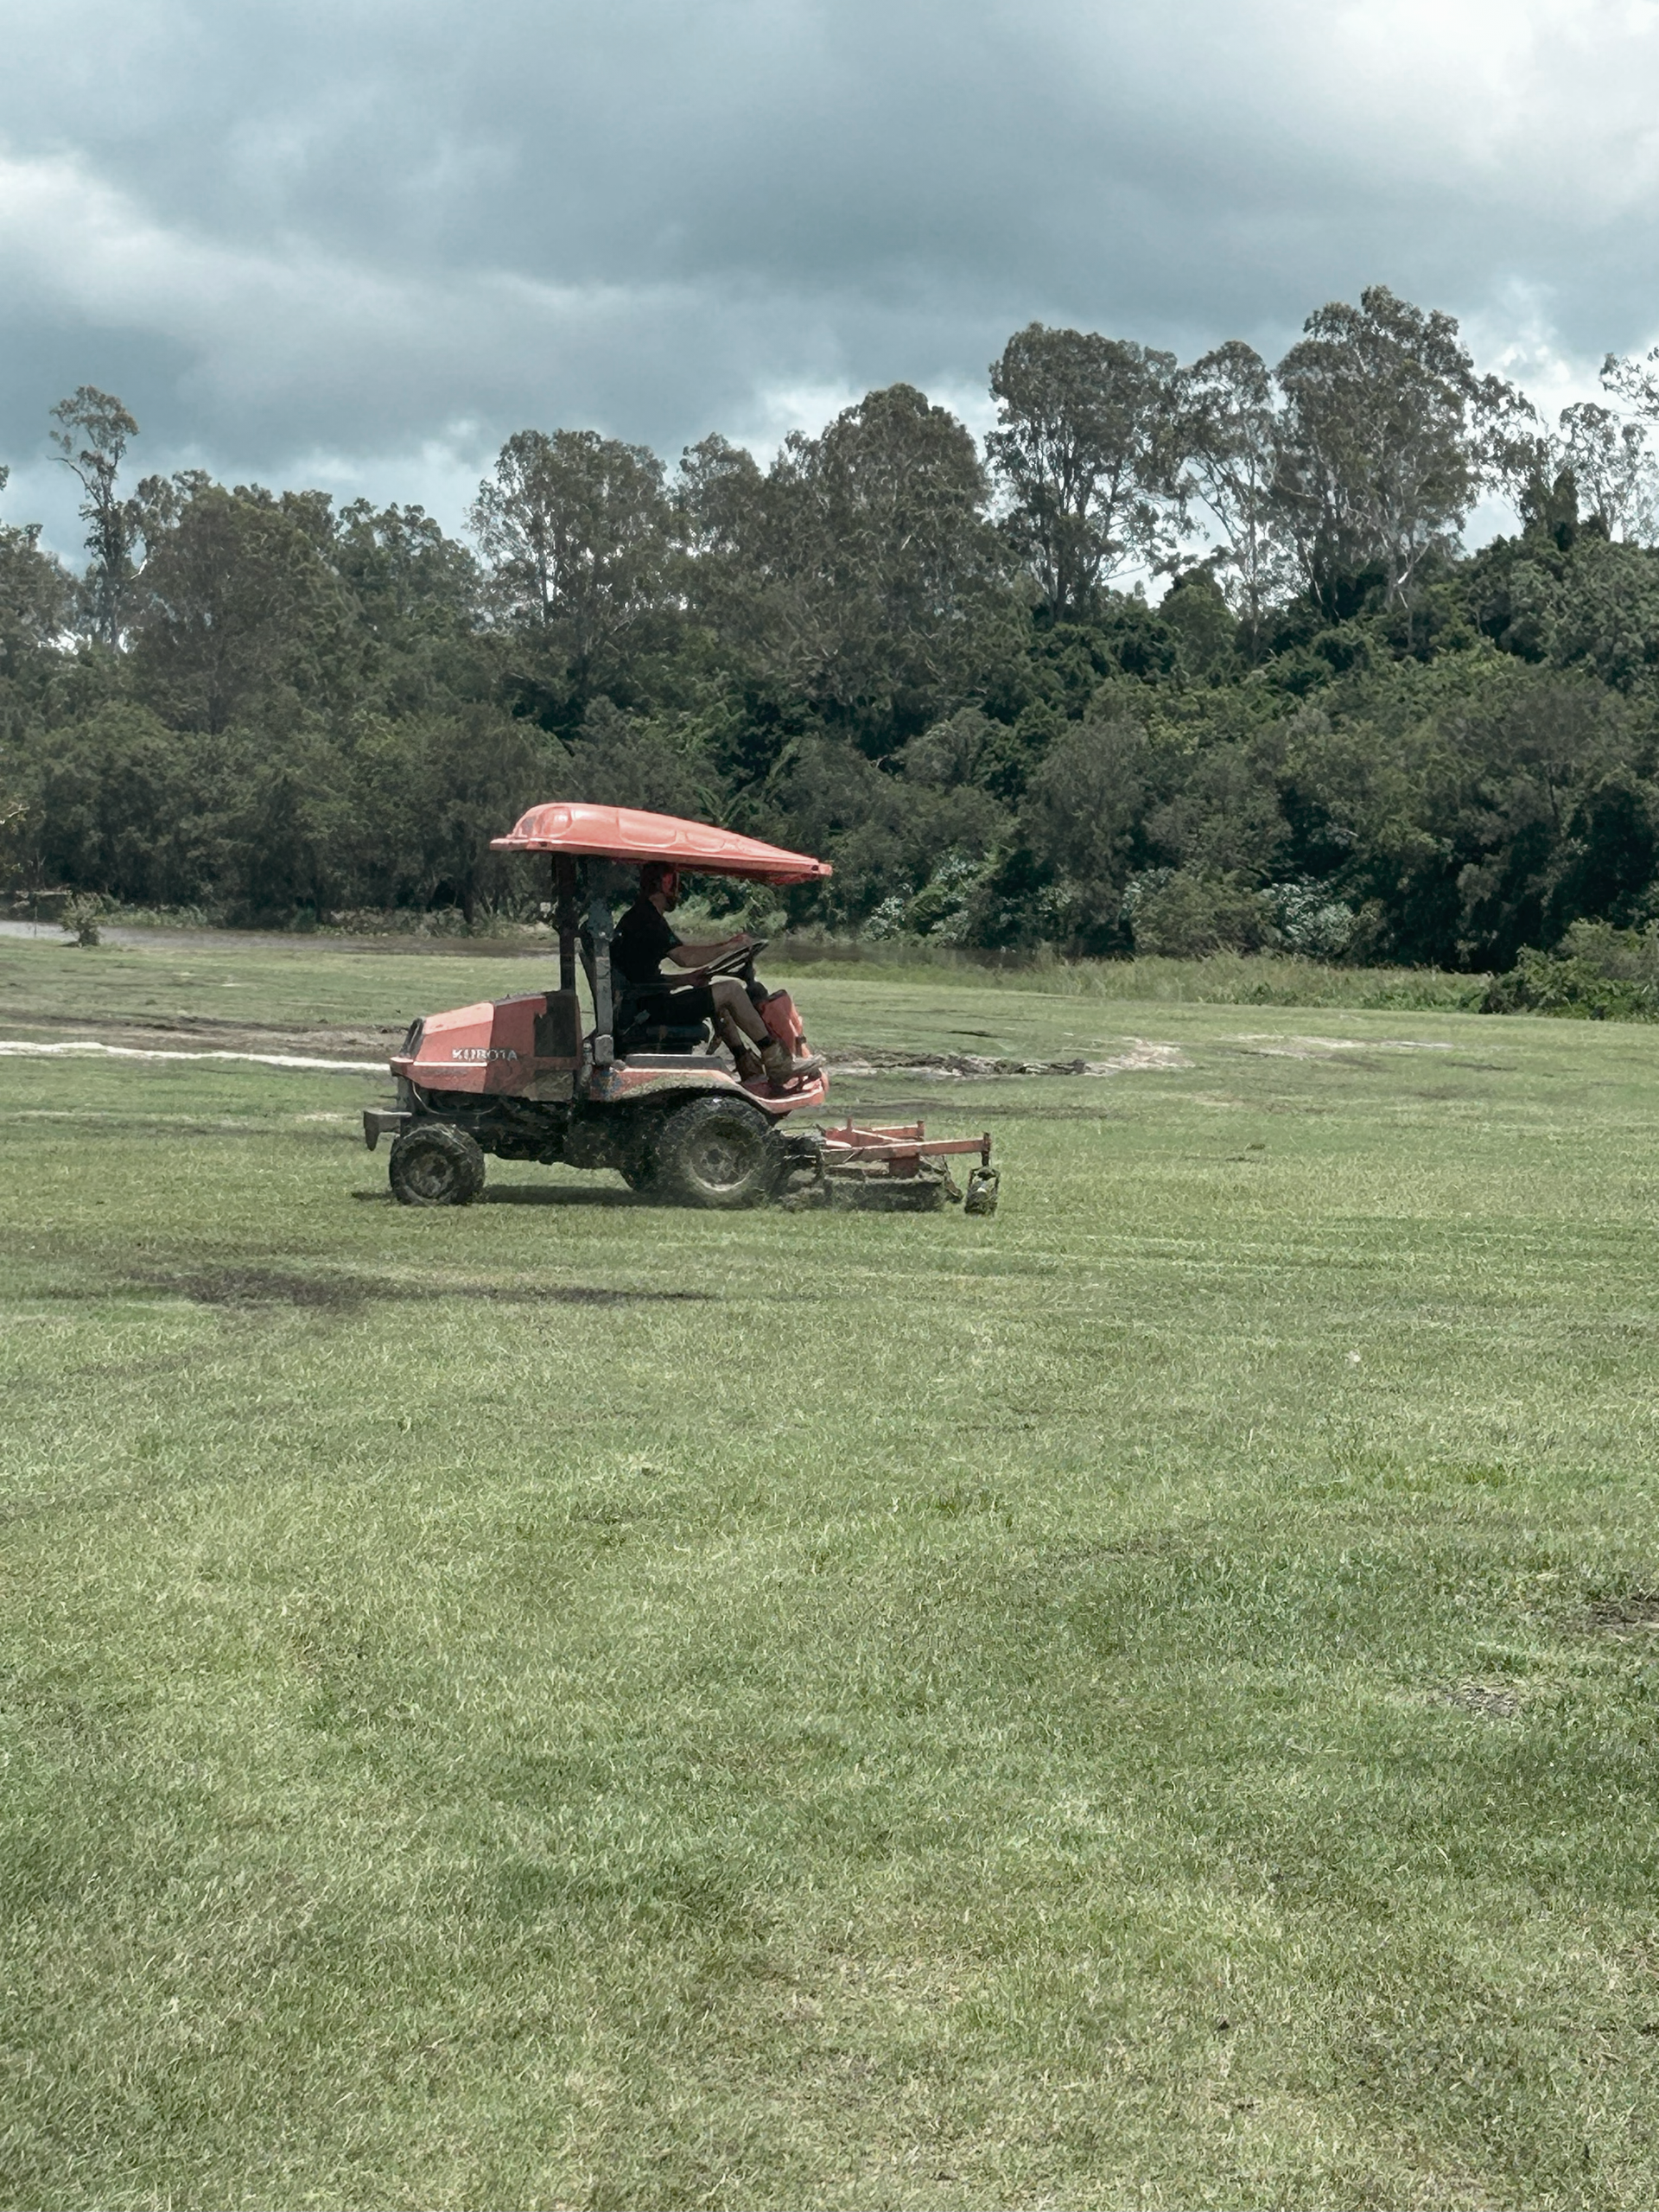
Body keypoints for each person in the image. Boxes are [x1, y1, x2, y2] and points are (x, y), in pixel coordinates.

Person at [609, 862, 823, 1083]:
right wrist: (729, 946)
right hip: (646, 1012)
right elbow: (685, 957)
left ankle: (746, 1065)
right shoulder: (647, 919)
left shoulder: (639, 916)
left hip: (641, 1006)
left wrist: (686, 980)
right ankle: (777, 1062)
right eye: (675, 883)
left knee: (721, 1001)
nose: (678, 891)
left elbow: (640, 978)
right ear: (666, 883)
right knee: (731, 991)